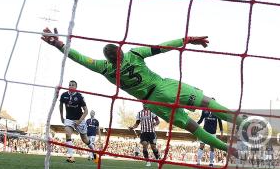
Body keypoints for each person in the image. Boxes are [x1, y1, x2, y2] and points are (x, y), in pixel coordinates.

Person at [42, 28, 243, 154]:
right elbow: (162, 47)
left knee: (194, 128)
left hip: (153, 102)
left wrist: (59, 44)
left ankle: (229, 150)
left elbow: (79, 57)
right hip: (166, 86)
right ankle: (243, 121)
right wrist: (187, 39)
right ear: (120, 51)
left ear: (110, 59)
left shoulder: (104, 68)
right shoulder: (135, 54)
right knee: (206, 104)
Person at [59, 80, 98, 163]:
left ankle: (94, 152)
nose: (71, 86)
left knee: (85, 140)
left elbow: (86, 111)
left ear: (76, 87)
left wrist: (79, 121)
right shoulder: (64, 95)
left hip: (80, 120)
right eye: (69, 85)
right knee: (67, 134)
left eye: (73, 85)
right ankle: (70, 156)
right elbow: (61, 106)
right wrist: (62, 117)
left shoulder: (80, 96)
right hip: (69, 119)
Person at [196, 99, 223, 167]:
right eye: (211, 102)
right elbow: (201, 120)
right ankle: (198, 162)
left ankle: (211, 163)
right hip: (204, 132)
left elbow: (220, 122)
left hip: (213, 133)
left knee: (212, 148)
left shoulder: (218, 112)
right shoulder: (204, 110)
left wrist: (221, 132)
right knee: (201, 146)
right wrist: (195, 126)